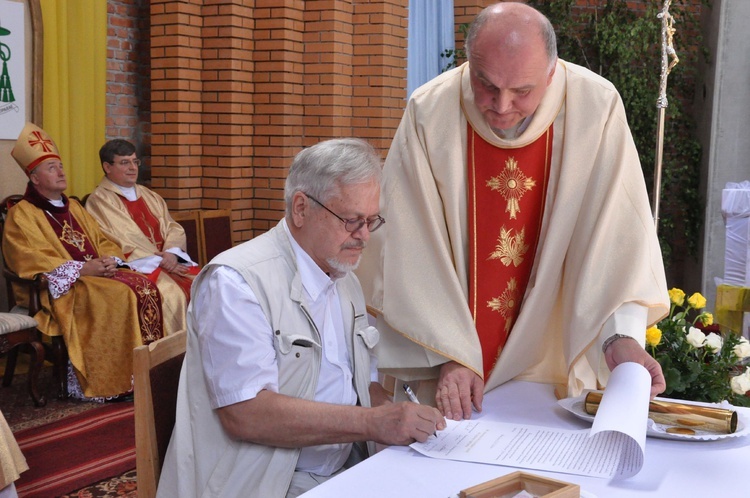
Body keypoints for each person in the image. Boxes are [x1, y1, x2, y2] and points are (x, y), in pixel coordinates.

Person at [356, 2, 670, 421]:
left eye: (521, 91)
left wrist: (619, 340)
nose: (502, 106)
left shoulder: (596, 107)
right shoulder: (430, 111)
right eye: (486, 85)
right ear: (468, 64)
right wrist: (449, 352)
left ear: (552, 72)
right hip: (452, 367)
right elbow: (409, 246)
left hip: (551, 356)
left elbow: (614, 235)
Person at [157, 138, 445, 498]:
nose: (365, 237)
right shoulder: (236, 281)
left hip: (342, 465)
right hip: (262, 480)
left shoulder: (344, 278)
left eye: (372, 221)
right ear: (301, 208)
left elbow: (357, 385)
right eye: (352, 221)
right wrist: (374, 423)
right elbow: (247, 413)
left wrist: (399, 414)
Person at [2, 123, 165, 399]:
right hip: (63, 289)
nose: (62, 171)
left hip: (96, 275)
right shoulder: (22, 214)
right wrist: (82, 269)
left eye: (61, 165)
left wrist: (109, 260)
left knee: (144, 286)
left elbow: (102, 239)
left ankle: (145, 374)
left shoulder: (74, 207)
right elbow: (29, 260)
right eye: (52, 167)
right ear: (35, 178)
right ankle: (113, 381)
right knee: (120, 296)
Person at [86, 139, 200, 335]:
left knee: (206, 285)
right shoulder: (100, 200)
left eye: (135, 162)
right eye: (124, 162)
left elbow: (172, 226)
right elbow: (120, 240)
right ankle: (170, 358)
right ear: (107, 167)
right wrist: (162, 261)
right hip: (139, 267)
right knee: (172, 296)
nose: (132, 168)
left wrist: (171, 254)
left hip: (169, 263)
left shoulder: (150, 195)